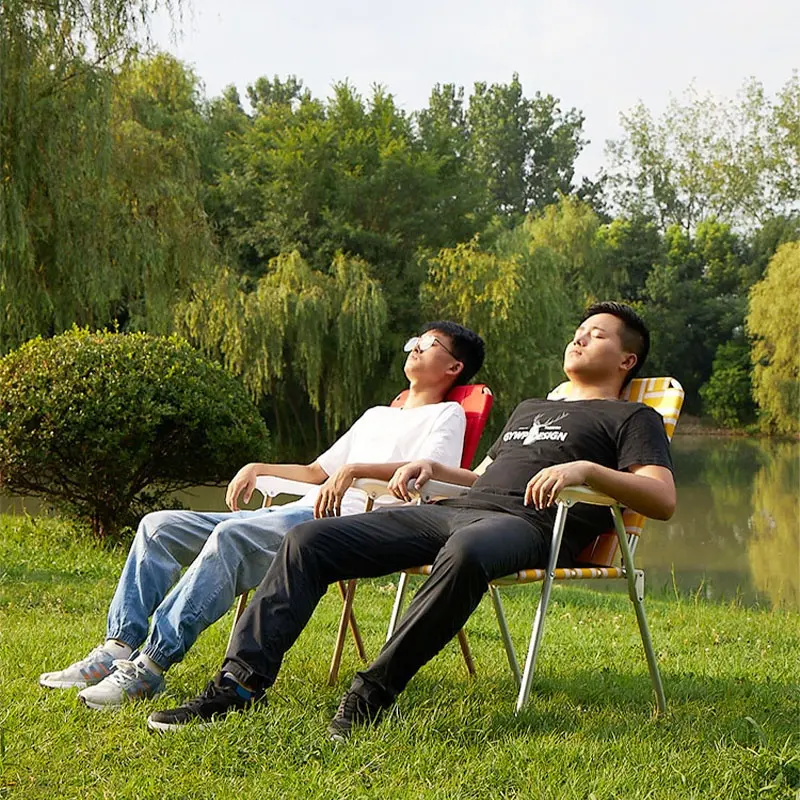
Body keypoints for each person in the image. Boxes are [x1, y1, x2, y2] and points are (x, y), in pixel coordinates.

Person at [147, 301, 676, 736]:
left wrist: (586, 469)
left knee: (467, 553)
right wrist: (434, 467)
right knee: (309, 540)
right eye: (578, 331)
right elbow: (484, 477)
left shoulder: (632, 417)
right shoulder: (531, 410)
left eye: (598, 336)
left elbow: (661, 498)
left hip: (528, 527)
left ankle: (373, 692)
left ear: (627, 360)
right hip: (458, 510)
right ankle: (239, 686)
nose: (579, 340)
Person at [38, 321, 485, 709]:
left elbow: (424, 477)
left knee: (231, 538)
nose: (415, 348)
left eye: (429, 344)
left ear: (453, 368)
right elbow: (316, 472)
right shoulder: (375, 416)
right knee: (158, 526)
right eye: (415, 341)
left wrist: (356, 472)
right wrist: (260, 467)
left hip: (344, 525)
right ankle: (117, 647)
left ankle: (149, 666)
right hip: (299, 507)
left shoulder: (447, 415)